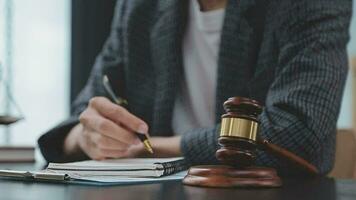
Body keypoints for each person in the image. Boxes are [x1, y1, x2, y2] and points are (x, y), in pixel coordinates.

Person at [38, 0, 352, 175]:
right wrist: (87, 136)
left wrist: (158, 146)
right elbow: (83, 113)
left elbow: (297, 134)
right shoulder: (138, 7)